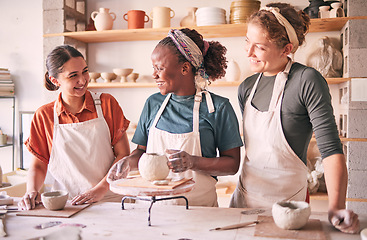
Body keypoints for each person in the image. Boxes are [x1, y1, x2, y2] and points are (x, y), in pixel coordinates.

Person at [230, 2, 360, 234]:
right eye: (247, 42)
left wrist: (336, 207)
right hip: (244, 203)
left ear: (286, 48)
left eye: (259, 47)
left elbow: (330, 150)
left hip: (289, 207)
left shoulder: (307, 81)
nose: (248, 53)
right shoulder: (246, 88)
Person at [108, 28, 243, 207]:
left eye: (160, 68)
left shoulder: (218, 107)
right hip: (151, 209)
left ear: (185, 68)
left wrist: (192, 162)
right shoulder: (153, 104)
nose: (154, 74)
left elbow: (232, 165)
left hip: (198, 211)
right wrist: (126, 163)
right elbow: (141, 151)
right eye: (153, 68)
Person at [18, 45, 130, 210]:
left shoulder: (107, 104)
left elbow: (123, 155)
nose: (83, 80)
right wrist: (31, 190)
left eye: (85, 71)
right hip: (68, 204)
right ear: (55, 80)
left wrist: (101, 188)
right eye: (73, 76)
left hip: (109, 199)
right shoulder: (44, 116)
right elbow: (39, 164)